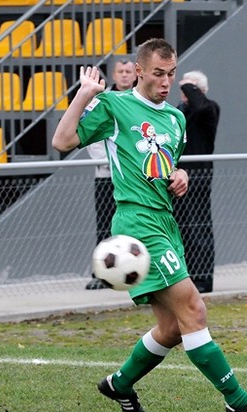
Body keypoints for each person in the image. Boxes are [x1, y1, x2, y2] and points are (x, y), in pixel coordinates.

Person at [52, 38, 247, 412]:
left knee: (173, 327)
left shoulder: (176, 119)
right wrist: (85, 95)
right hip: (137, 223)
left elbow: (166, 166)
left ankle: (119, 383)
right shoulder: (115, 106)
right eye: (158, 73)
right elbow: (62, 141)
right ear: (140, 71)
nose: (166, 81)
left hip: (165, 221)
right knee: (194, 307)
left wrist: (180, 176)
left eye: (171, 73)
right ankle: (238, 402)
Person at [85, 59, 137, 290]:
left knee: (135, 222)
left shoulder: (140, 102)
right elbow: (92, 135)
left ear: (135, 75)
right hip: (107, 176)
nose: (125, 75)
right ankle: (102, 274)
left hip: (134, 178)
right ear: (114, 75)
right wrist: (111, 164)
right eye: (120, 71)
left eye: (129, 71)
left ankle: (138, 270)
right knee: (105, 223)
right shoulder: (101, 101)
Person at [172, 70, 220, 294]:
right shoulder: (180, 111)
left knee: (199, 226)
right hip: (177, 177)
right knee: (182, 228)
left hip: (198, 177)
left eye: (187, 90)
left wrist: (189, 85)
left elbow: (200, 105)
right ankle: (187, 274)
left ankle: (203, 276)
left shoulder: (209, 108)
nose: (183, 94)